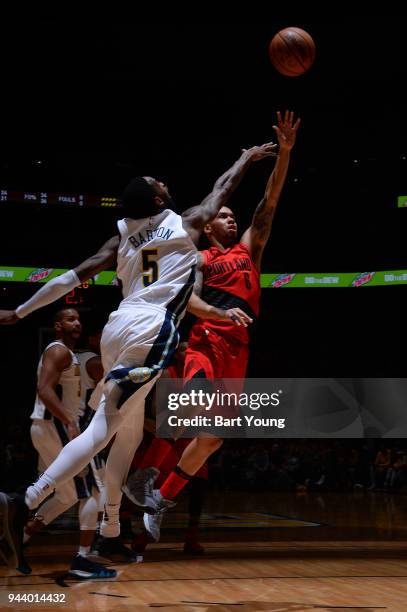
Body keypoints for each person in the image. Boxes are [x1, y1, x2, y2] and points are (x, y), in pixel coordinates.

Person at [0, 140, 276, 573]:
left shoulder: (122, 235)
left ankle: (107, 536)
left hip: (117, 326)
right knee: (106, 428)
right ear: (158, 200)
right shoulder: (181, 223)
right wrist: (246, 158)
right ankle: (26, 500)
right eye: (158, 183)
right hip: (152, 325)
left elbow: (72, 276)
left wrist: (19, 312)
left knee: (125, 432)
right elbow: (222, 187)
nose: (163, 182)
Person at [123, 110, 300, 542]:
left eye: (233, 215)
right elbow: (192, 302)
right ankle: (142, 475)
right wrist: (219, 315)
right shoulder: (198, 260)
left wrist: (285, 155)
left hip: (239, 347)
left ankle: (162, 499)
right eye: (224, 215)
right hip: (205, 340)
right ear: (208, 226)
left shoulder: (247, 251)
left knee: (213, 439)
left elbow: (269, 202)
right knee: (190, 406)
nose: (232, 219)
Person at [23, 308, 115, 578]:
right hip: (56, 427)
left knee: (67, 495)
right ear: (58, 325)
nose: (76, 323)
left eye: (78, 319)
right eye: (69, 319)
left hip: (50, 428)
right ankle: (82, 560)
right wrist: (69, 421)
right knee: (90, 492)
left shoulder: (70, 354)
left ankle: (20, 534)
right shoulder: (59, 351)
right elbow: (44, 389)